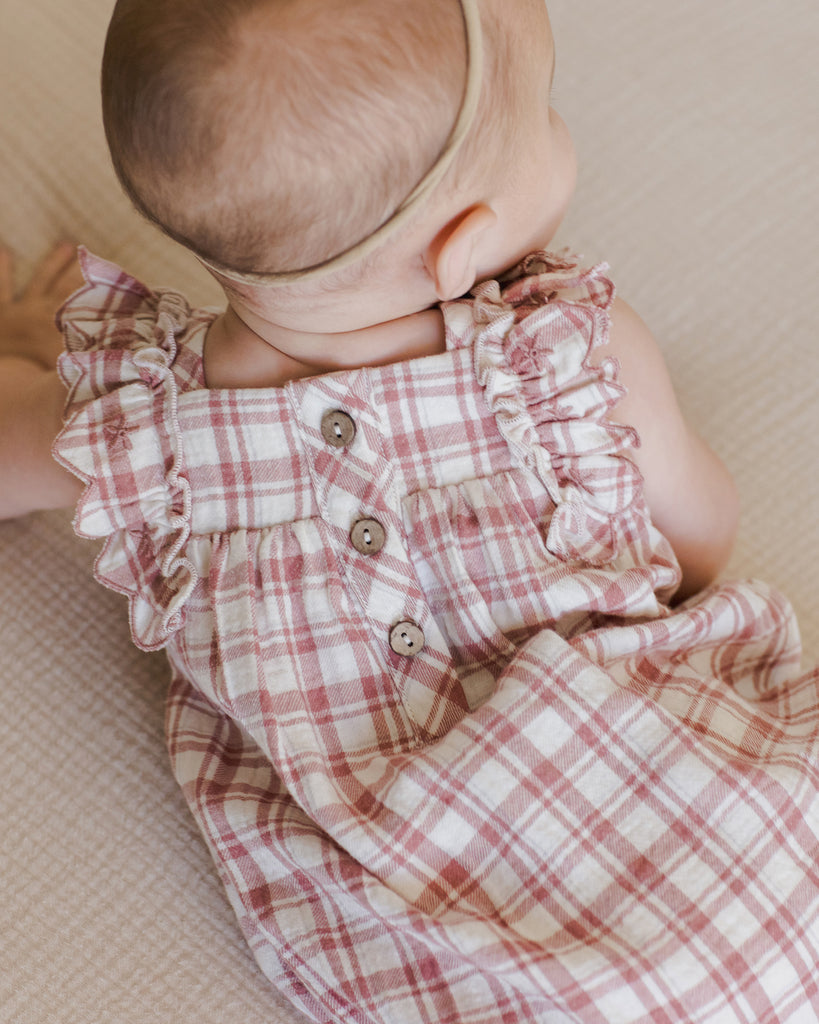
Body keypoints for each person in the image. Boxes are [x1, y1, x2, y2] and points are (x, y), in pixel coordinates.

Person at [0, 0, 816, 1020]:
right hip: (763, 899)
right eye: (549, 115)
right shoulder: (564, 362)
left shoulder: (137, 435)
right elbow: (701, 540)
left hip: (459, 951)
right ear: (463, 244)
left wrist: (38, 360)